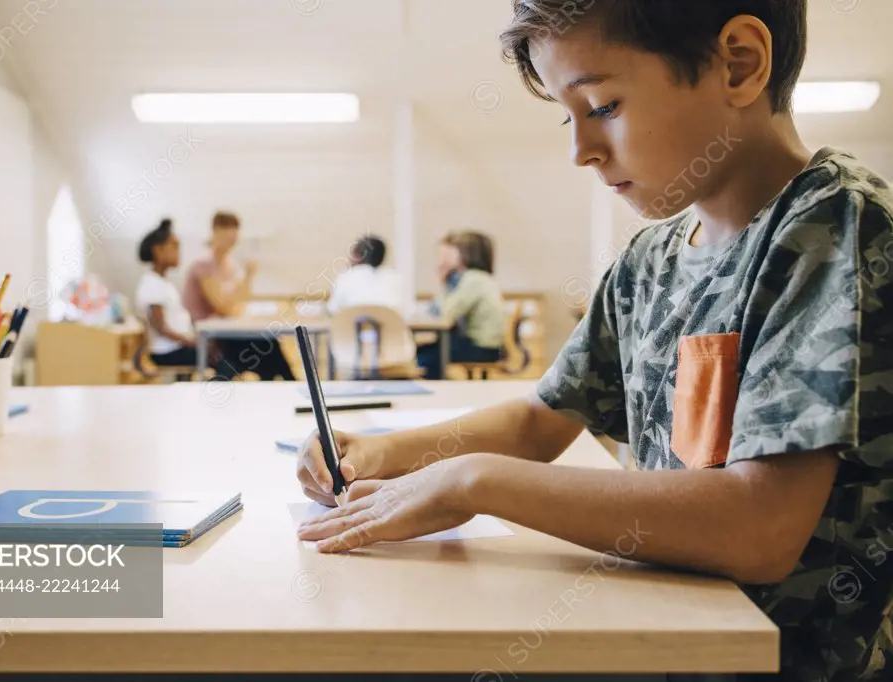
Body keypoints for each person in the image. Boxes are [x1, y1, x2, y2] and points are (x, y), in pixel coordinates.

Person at [294, 2, 893, 680]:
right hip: (664, 635)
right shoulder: (650, 259)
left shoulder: (833, 229)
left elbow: (759, 528)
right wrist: (386, 451)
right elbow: (539, 420)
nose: (581, 151)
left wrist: (472, 480)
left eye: (602, 105)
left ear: (739, 64)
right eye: (567, 115)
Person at [182, 211, 295, 381]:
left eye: (235, 232)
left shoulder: (230, 263)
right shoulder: (204, 264)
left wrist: (247, 278)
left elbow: (240, 302)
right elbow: (224, 307)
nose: (232, 237)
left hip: (226, 330)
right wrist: (247, 277)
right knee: (267, 346)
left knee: (269, 344)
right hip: (210, 335)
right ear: (215, 231)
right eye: (227, 231)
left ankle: (286, 384)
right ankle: (290, 384)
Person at [416, 230, 506, 380]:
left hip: (482, 347)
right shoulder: (480, 278)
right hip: (486, 345)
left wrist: (443, 281)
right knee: (428, 350)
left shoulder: (473, 279)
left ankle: (441, 391)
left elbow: (446, 315)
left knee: (428, 355)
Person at [134, 219, 197, 367]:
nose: (178, 253)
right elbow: (160, 328)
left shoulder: (163, 283)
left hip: (177, 347)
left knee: (219, 354)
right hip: (166, 352)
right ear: (158, 250)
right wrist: (191, 342)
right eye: (174, 247)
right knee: (219, 360)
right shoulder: (152, 284)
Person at [326, 236, 404, 315]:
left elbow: (332, 311)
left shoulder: (346, 277)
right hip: (392, 325)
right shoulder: (396, 278)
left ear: (358, 255)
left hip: (353, 326)